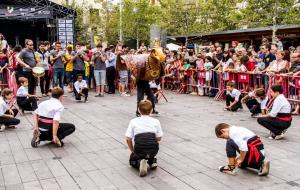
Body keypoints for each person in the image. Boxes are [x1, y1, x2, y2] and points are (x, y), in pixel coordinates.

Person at [125, 100, 163, 177]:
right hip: (153, 149)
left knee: (132, 160)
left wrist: (132, 150)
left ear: (138, 110)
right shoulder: (156, 121)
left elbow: (128, 138)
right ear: (152, 110)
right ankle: (152, 160)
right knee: (153, 143)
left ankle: (140, 163)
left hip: (139, 149)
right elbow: (159, 138)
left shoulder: (133, 121)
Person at [136, 49, 160, 117]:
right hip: (140, 83)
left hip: (146, 83)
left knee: (151, 97)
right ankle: (137, 111)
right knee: (140, 98)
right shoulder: (140, 64)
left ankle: (153, 109)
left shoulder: (147, 62)